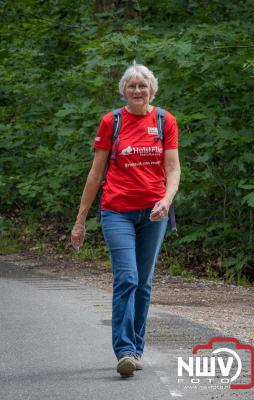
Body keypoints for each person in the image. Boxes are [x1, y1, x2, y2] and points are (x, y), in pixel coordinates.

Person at [71, 63, 181, 378]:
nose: (136, 90)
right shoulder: (112, 121)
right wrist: (80, 220)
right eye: (131, 85)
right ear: (123, 90)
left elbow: (173, 169)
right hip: (116, 211)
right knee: (127, 278)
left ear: (152, 90)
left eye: (142, 86)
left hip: (154, 213)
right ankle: (124, 351)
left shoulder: (164, 121)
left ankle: (136, 347)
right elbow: (95, 174)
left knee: (144, 283)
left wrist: (166, 200)